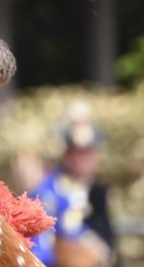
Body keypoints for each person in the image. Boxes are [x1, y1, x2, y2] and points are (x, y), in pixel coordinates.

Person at [30, 109, 116, 267]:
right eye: (76, 153)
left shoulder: (98, 190)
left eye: (87, 153)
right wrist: (97, 246)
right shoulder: (56, 188)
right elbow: (70, 230)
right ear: (67, 154)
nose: (82, 159)